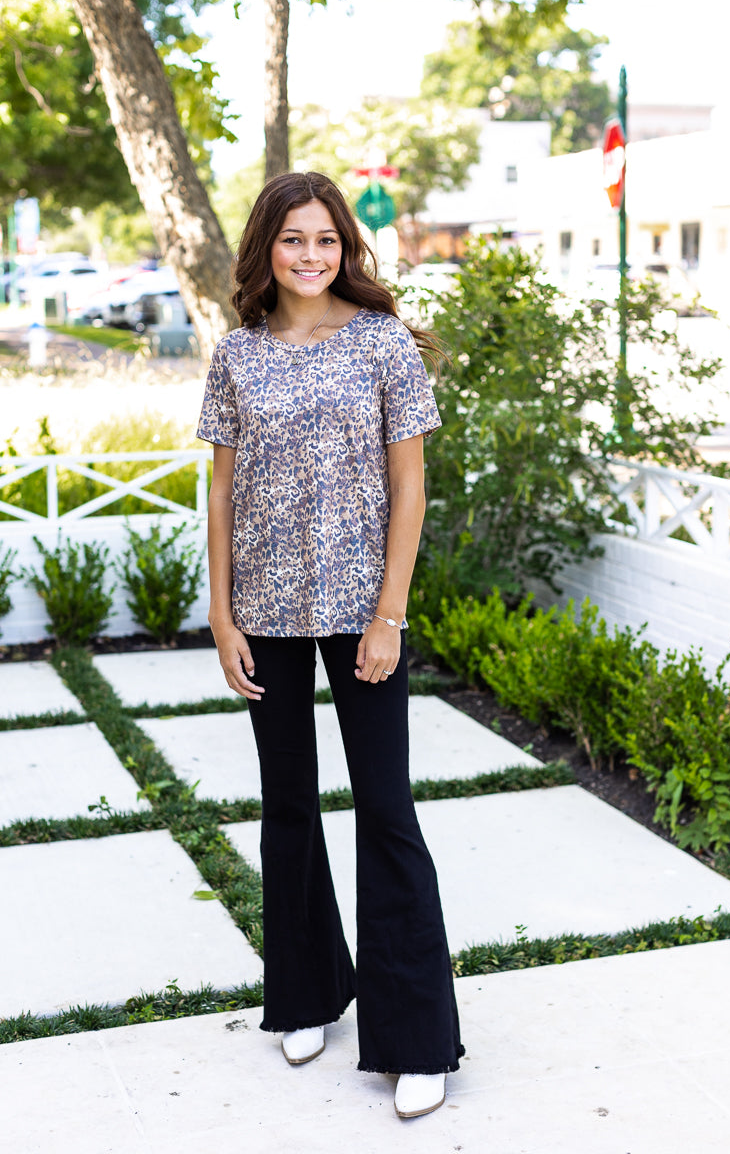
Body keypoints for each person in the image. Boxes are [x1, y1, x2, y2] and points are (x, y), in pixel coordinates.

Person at [197, 171, 464, 1119]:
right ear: (264, 250)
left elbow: (411, 488)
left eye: (325, 240)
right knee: (288, 808)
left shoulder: (385, 344)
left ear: (346, 248)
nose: (311, 256)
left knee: (387, 810)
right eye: (293, 240)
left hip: (364, 614)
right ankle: (307, 994)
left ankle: (418, 1038)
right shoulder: (236, 356)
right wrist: (222, 617)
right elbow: (223, 495)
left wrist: (391, 613)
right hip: (264, 611)